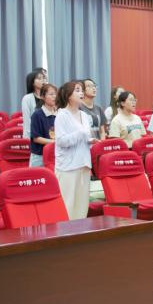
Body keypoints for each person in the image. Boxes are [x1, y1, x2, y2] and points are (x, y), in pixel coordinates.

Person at [54, 80, 97, 220]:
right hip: (68, 167)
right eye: (77, 90)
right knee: (68, 205)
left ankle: (81, 231)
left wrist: (90, 140)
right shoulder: (62, 115)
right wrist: (81, 134)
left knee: (82, 206)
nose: (81, 93)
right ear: (68, 95)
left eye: (82, 90)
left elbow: (84, 137)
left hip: (84, 164)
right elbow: (61, 141)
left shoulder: (84, 115)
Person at [29, 84, 57, 167]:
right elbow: (36, 138)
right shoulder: (37, 114)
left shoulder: (59, 114)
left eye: (55, 94)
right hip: (39, 156)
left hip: (55, 154)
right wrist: (55, 142)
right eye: (51, 94)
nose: (54, 96)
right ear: (42, 97)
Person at [21, 69, 47, 139]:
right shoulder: (27, 98)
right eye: (39, 78)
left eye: (44, 78)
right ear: (32, 82)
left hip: (49, 134)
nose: (43, 80)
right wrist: (28, 139)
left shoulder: (49, 96)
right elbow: (27, 121)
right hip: (35, 136)